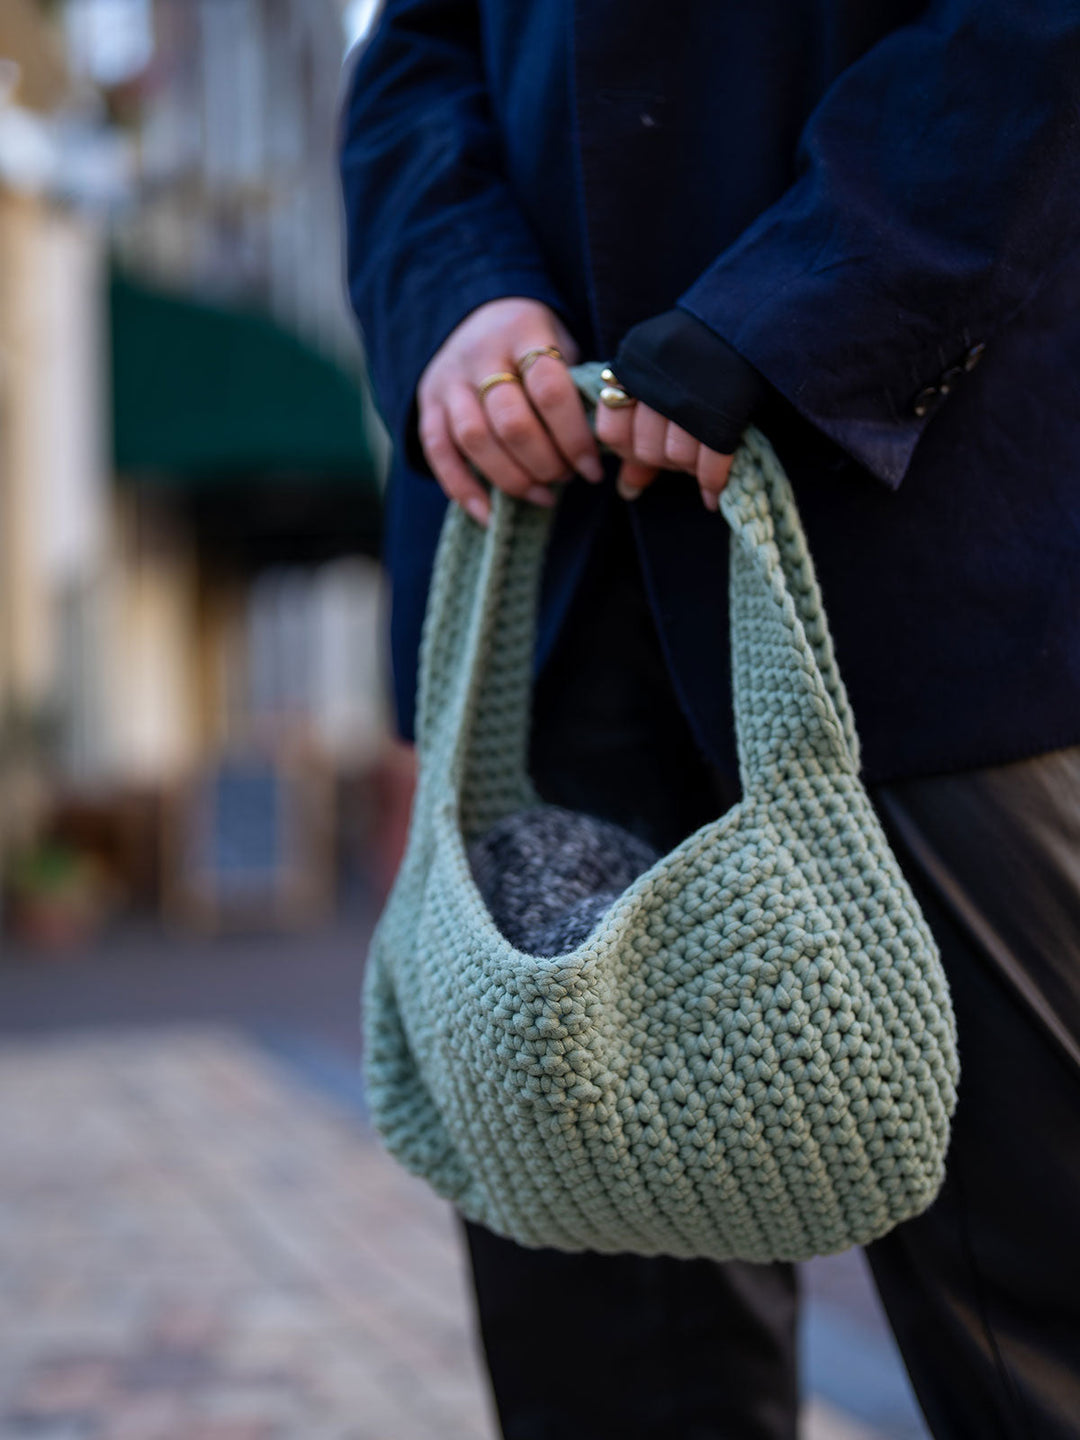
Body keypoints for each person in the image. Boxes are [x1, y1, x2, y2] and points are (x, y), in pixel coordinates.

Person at [339, 2, 1080, 1436]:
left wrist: (800, 306)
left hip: (921, 560)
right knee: (604, 1352)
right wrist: (459, 294)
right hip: (547, 564)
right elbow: (416, 50)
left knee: (1038, 1316)